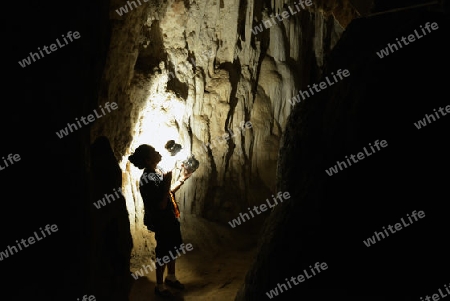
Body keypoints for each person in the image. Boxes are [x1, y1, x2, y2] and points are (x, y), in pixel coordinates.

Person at [128, 144, 192, 298]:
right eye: (154, 151)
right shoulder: (146, 179)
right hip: (160, 218)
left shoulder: (159, 171)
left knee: (173, 247)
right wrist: (168, 182)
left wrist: (182, 179)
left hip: (170, 216)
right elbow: (161, 203)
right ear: (149, 160)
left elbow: (168, 193)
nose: (158, 152)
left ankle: (171, 277)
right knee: (164, 250)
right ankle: (159, 286)